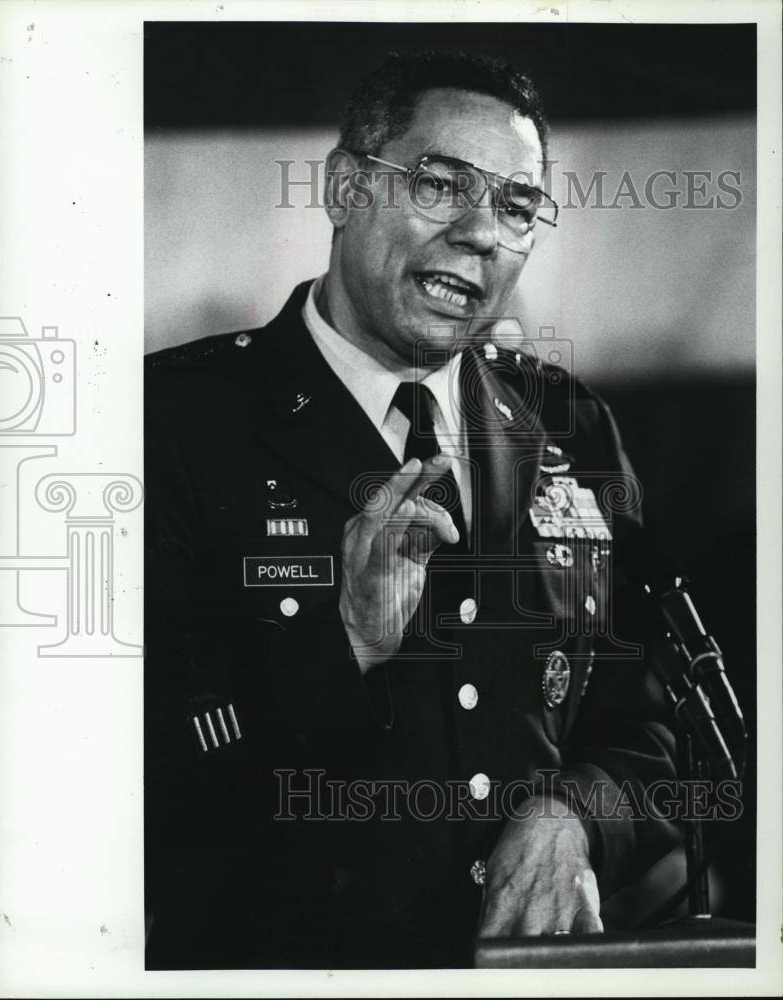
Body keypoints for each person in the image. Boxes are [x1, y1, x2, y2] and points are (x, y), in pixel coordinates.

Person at [144, 50, 679, 970]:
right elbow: (108, 786)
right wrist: (340, 642)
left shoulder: (572, 427)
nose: (480, 233)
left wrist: (577, 814)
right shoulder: (168, 425)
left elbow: (660, 732)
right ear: (346, 187)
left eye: (515, 207)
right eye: (441, 185)